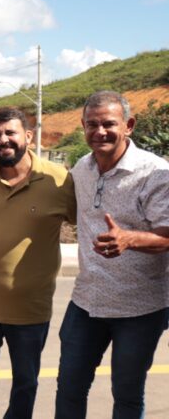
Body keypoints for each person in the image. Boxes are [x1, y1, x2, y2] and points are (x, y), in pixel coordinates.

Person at [55, 90, 169, 419]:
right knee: (70, 387)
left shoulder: (155, 172)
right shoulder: (82, 167)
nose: (100, 131)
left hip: (139, 307)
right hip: (86, 301)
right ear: (83, 126)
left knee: (127, 394)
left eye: (109, 124)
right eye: (92, 124)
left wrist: (130, 239)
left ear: (128, 125)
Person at [0, 108, 75, 419]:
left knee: (25, 383)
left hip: (31, 311)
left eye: (11, 133)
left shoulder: (59, 179)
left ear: (28, 136)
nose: (4, 140)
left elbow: (83, 223)